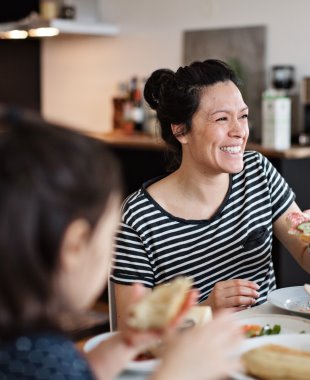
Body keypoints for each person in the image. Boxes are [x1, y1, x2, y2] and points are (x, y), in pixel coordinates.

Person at [0, 108, 243, 380]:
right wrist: (178, 373)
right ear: (75, 246)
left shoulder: (30, 343)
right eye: (109, 237)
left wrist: (125, 344)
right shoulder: (37, 362)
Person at [111, 59, 310, 328]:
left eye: (243, 116)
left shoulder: (258, 172)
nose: (239, 131)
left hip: (265, 338)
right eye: (222, 119)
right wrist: (207, 309)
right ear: (180, 130)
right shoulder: (138, 218)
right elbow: (128, 329)